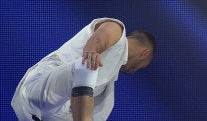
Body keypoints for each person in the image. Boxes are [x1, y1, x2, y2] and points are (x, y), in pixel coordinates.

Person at [11, 18, 156, 121]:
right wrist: (92, 50)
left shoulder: (108, 80)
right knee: (88, 66)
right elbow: (102, 35)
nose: (133, 72)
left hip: (41, 114)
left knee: (102, 107)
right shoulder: (117, 30)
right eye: (141, 66)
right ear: (144, 54)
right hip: (37, 89)